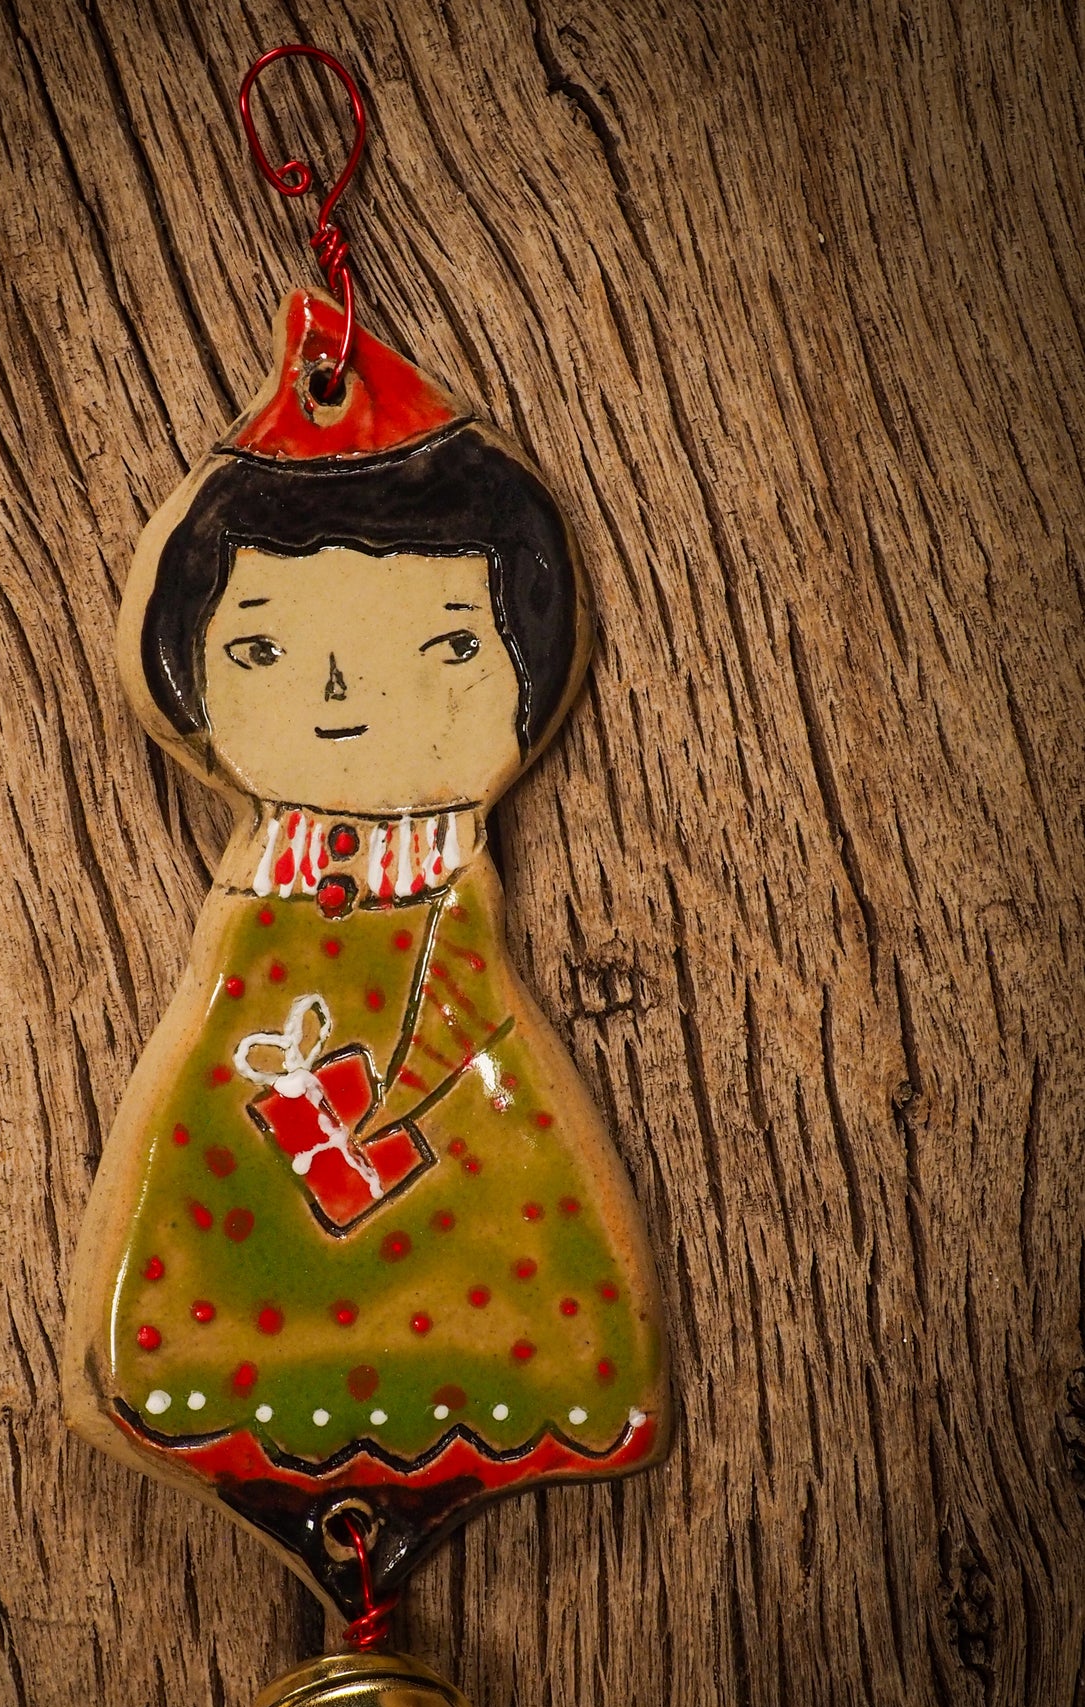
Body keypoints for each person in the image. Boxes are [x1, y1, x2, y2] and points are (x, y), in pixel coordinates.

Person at [64, 291, 670, 1603]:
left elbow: (459, 1032)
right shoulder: (259, 903)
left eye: (441, 645)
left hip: (454, 1127)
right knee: (219, 1255)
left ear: (521, 658)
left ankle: (450, 1426)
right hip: (247, 1163)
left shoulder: (448, 897)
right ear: (187, 667)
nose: (341, 696)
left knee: (490, 1242)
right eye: (266, 647)